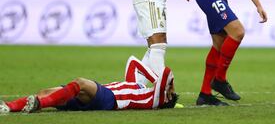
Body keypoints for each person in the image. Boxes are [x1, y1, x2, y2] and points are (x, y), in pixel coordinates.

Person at [0, 56, 178, 114]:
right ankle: (8, 107)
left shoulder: (156, 99)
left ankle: (39, 104)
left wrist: (169, 85)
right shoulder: (140, 88)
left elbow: (166, 72)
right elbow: (133, 61)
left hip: (110, 99)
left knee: (80, 82)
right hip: (100, 94)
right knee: (46, 92)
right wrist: (154, 80)